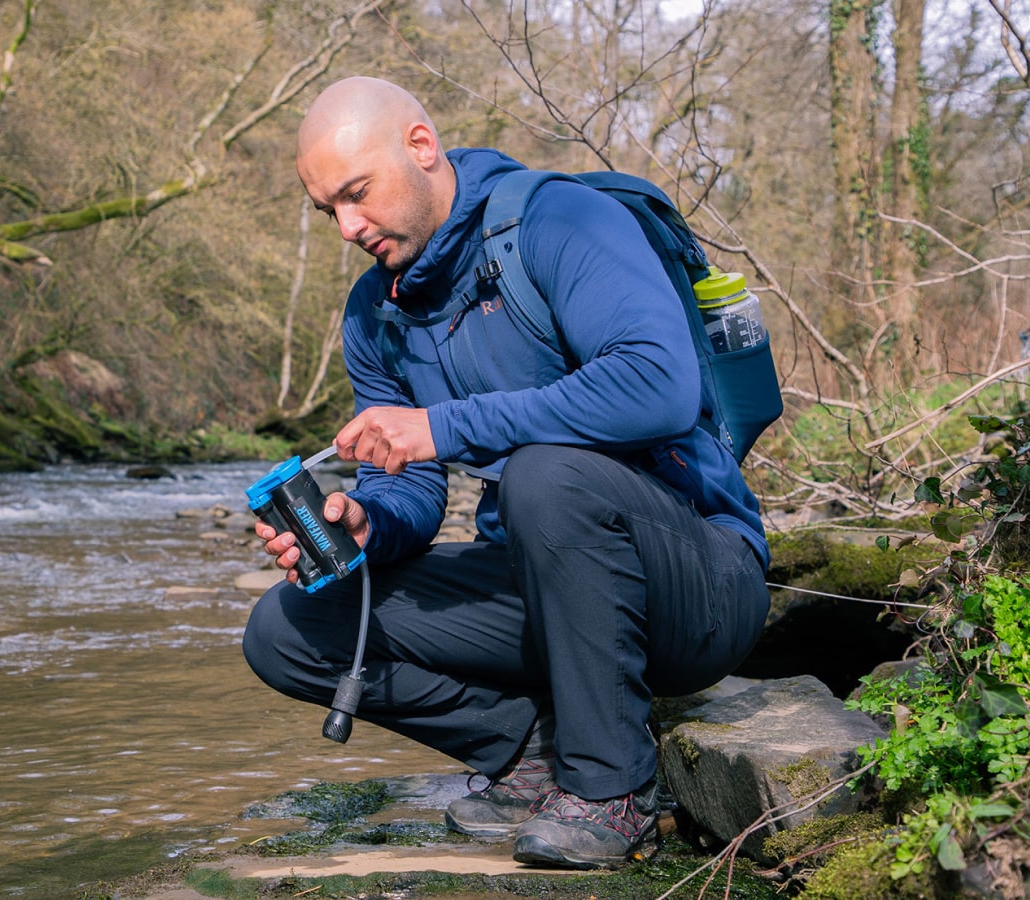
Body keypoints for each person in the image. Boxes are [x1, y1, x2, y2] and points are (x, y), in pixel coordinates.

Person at [241, 76, 771, 870]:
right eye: (329, 212)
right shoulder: (373, 314)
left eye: (357, 194)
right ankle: (527, 747)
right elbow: (413, 488)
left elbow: (659, 385)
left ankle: (612, 787)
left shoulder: (562, 220)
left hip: (698, 583)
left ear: (422, 147)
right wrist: (366, 525)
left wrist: (442, 426)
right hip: (544, 587)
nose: (348, 227)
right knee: (286, 629)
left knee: (543, 475)